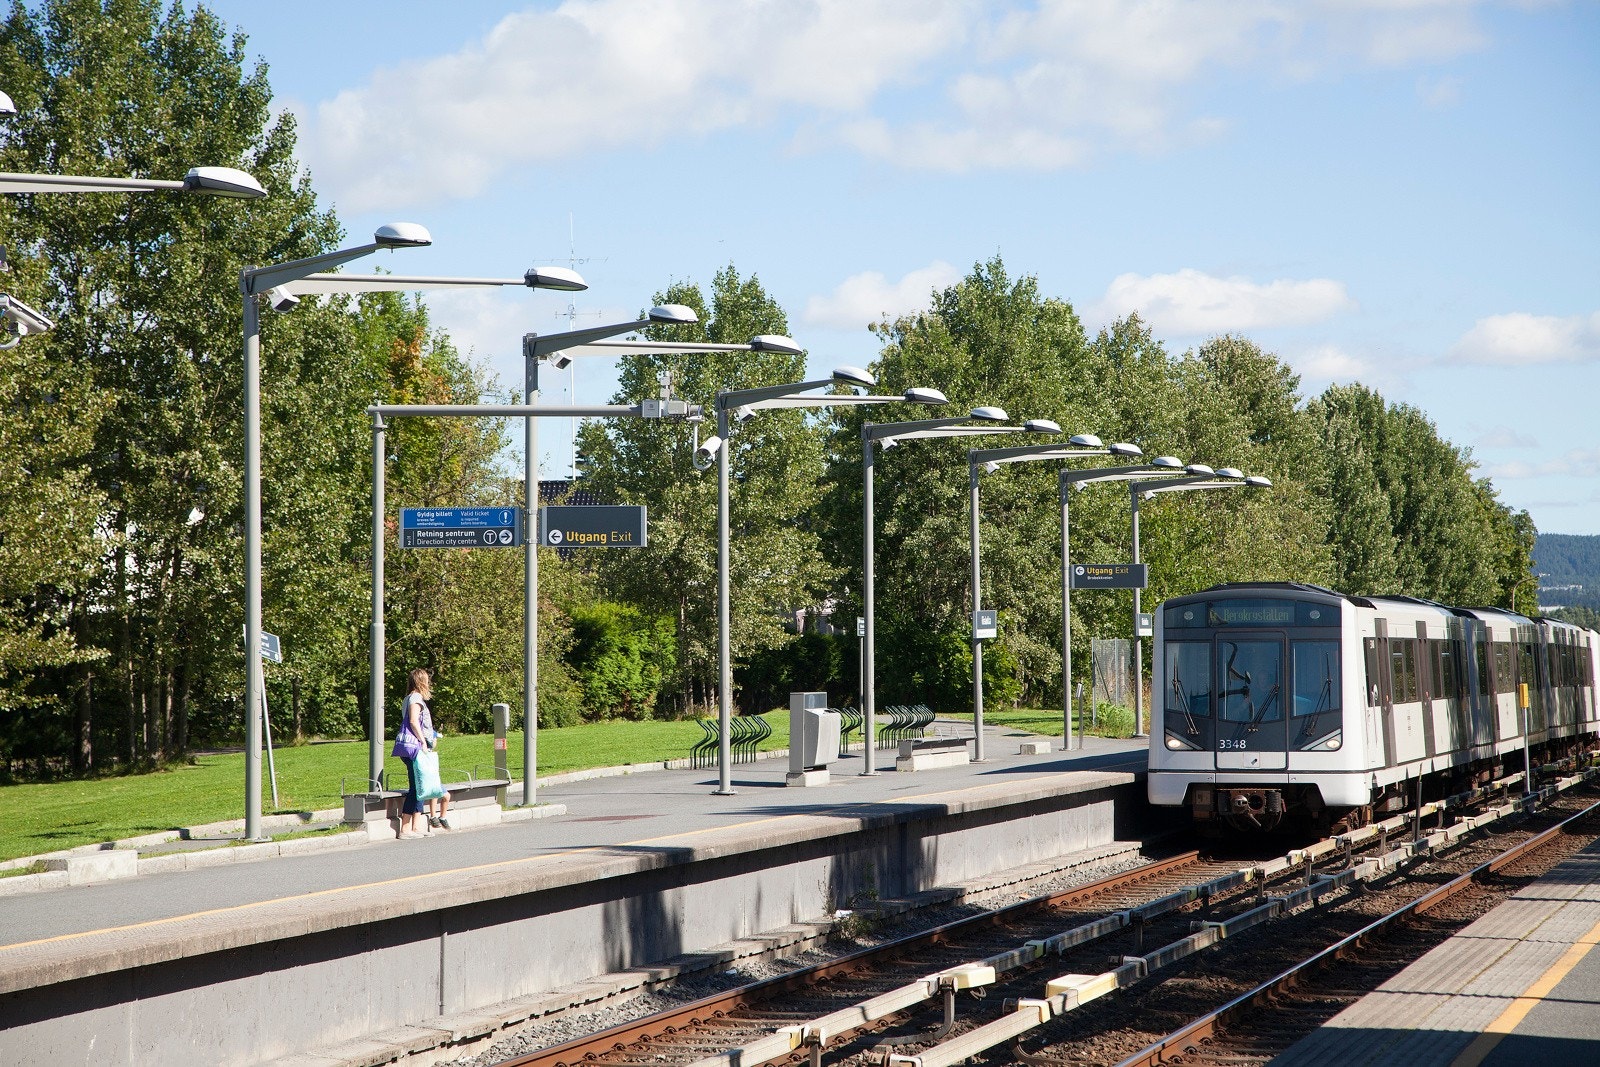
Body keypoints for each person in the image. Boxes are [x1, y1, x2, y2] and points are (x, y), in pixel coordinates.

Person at [393, 668, 442, 839]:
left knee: (422, 786)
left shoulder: (410, 698)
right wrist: (423, 741)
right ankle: (405, 829)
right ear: (422, 681)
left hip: (414, 748)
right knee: (417, 788)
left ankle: (416, 826)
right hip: (415, 748)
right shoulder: (415, 698)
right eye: (427, 680)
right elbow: (413, 721)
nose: (428, 683)